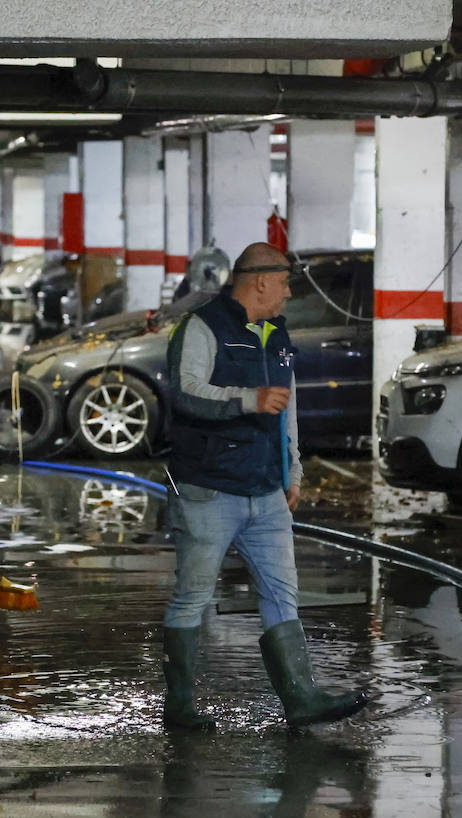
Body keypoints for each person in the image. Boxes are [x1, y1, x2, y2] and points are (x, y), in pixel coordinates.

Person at [160, 242, 368, 730]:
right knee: (192, 596)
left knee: (282, 593)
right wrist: (247, 399)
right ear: (260, 281)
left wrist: (291, 471)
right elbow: (185, 392)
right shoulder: (201, 327)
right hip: (209, 489)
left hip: (266, 491)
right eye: (285, 283)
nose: (289, 293)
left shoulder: (277, 333)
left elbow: (287, 406)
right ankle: (181, 706)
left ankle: (301, 698)